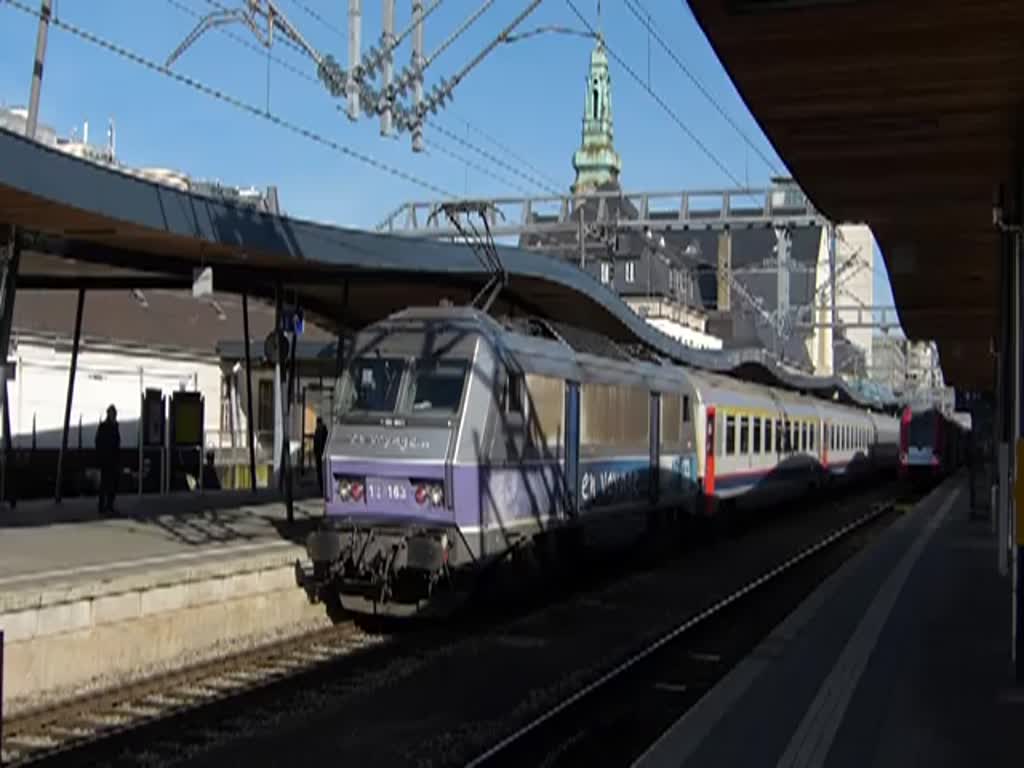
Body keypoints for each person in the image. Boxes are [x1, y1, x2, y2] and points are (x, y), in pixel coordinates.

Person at [95, 405, 121, 514]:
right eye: (112, 413)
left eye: (114, 413)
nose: (113, 415)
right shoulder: (104, 426)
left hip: (113, 458)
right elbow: (98, 441)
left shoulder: (115, 426)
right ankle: (102, 507)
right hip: (106, 459)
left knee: (112, 483)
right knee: (105, 484)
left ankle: (109, 505)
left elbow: (117, 441)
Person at [313, 416, 329, 492]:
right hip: (320, 454)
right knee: (320, 472)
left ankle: (322, 488)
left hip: (321, 454)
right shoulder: (321, 430)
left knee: (321, 472)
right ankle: (322, 488)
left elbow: (317, 443)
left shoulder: (320, 430)